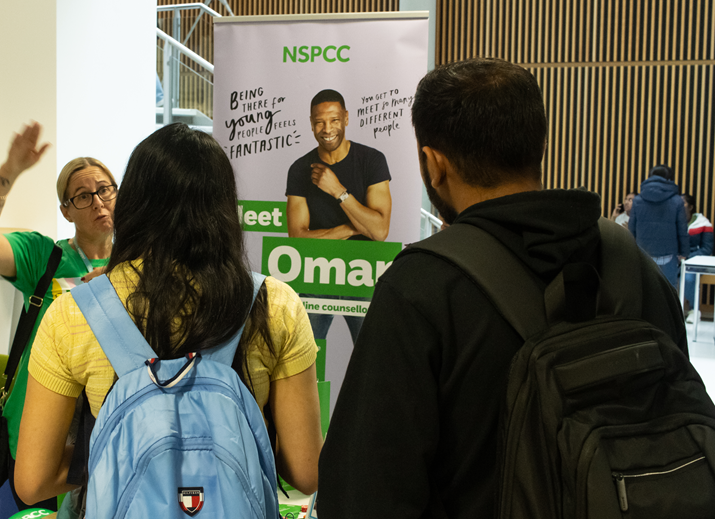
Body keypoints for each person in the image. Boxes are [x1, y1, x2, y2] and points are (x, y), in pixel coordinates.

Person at [317, 58, 688, 518]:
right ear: (538, 146)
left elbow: (360, 495)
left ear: (433, 165)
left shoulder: (420, 290)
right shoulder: (634, 266)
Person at [14, 123, 323, 507]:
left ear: (132, 205)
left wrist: (121, 454)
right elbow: (306, 472)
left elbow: (33, 480)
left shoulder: (74, 314)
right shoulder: (274, 304)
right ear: (224, 205)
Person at [0, 122, 116, 512]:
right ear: (65, 210)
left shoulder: (137, 265)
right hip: (40, 433)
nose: (98, 202)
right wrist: (9, 172)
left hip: (107, 431)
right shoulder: (44, 256)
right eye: (82, 196)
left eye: (105, 190)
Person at [285, 89, 392, 343]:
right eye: (319, 121)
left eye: (334, 120)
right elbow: (298, 239)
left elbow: (379, 231)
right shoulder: (300, 169)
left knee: (371, 354)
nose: (327, 128)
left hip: (362, 272)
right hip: (315, 273)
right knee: (304, 356)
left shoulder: (372, 161)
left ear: (346, 118)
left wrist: (338, 191)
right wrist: (351, 229)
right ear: (311, 124)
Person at [628, 165, 689, 288]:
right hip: (668, 256)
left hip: (643, 255)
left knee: (645, 291)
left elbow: (631, 230)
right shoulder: (677, 201)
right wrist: (684, 253)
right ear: (669, 179)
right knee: (668, 294)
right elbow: (682, 231)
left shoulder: (637, 201)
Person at [681, 193, 714, 310]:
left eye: (683, 202)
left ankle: (693, 310)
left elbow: (707, 249)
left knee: (688, 278)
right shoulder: (673, 223)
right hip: (676, 260)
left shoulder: (703, 223)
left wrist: (687, 257)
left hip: (695, 262)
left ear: (690, 207)